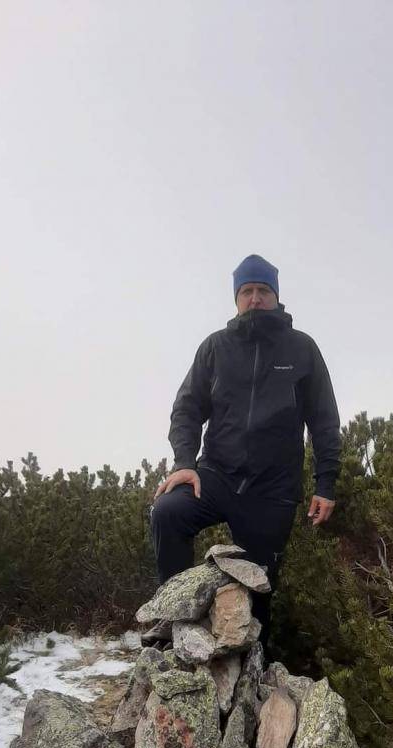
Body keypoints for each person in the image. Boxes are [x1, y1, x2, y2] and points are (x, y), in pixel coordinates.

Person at [144, 253, 341, 655]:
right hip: (216, 476)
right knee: (167, 512)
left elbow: (324, 420)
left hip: (273, 490)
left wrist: (326, 483)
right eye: (246, 291)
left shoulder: (302, 348)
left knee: (260, 589)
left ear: (276, 296)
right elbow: (186, 409)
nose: (255, 298)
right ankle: (173, 622)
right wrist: (184, 463)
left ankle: (254, 665)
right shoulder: (216, 347)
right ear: (236, 298)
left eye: (263, 290)